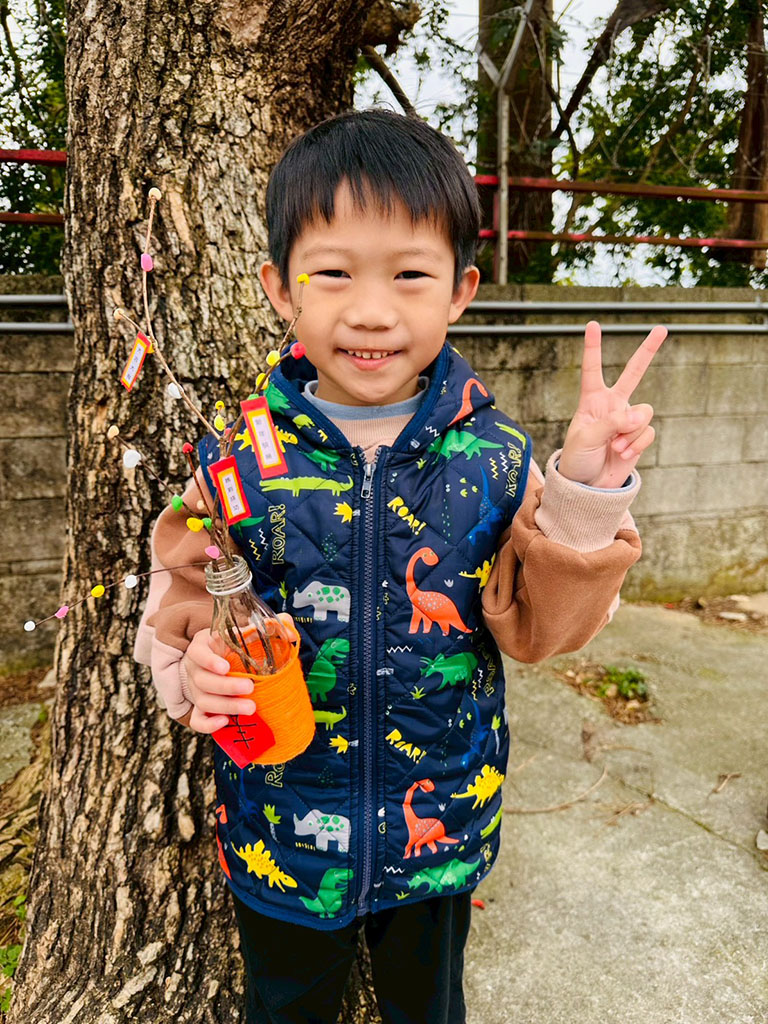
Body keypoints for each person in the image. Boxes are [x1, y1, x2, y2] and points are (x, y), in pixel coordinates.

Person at [134, 108, 665, 1024]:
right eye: (334, 273)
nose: (372, 310)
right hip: (281, 832)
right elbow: (185, 591)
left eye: (410, 275)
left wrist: (586, 487)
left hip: (440, 839)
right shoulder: (238, 458)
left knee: (430, 1007)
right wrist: (193, 672)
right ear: (280, 288)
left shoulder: (496, 458)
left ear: (459, 291)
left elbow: (542, 630)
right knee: (284, 1006)